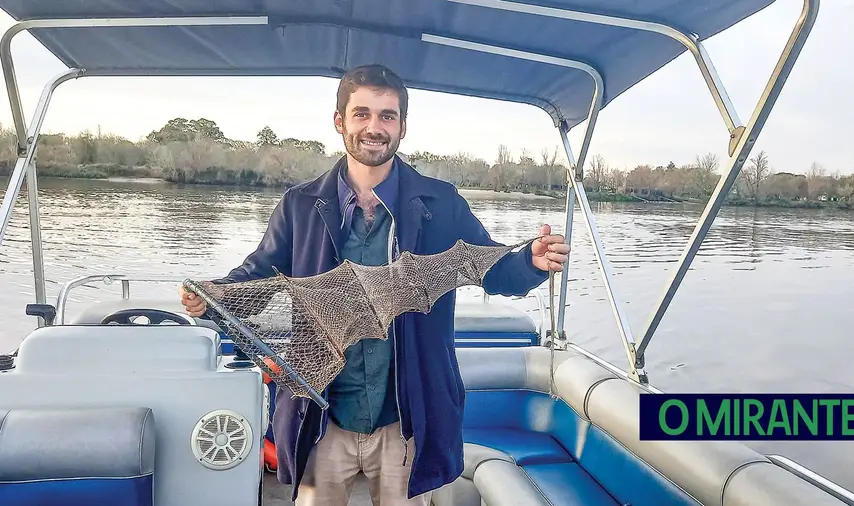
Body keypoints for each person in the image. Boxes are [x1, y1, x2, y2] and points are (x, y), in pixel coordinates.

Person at [179, 64, 570, 506]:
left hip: (405, 419)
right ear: (339, 121)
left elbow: (495, 269)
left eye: (387, 116)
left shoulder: (441, 203)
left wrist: (532, 262)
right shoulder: (299, 205)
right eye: (362, 113)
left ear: (403, 126)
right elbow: (258, 278)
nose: (374, 127)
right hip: (322, 413)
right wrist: (213, 297)